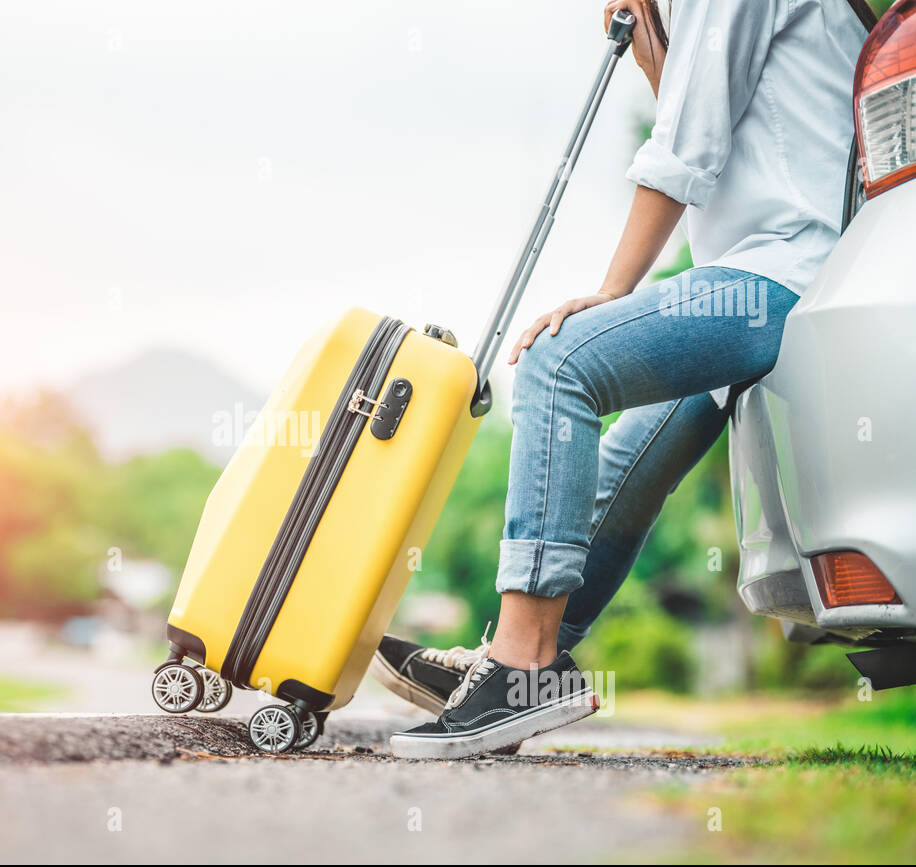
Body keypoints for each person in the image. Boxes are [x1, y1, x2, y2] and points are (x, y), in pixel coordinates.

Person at [374, 0, 875, 759]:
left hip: (783, 271)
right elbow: (728, 115)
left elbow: (686, 146)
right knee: (630, 463)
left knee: (560, 360)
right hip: (767, 269)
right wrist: (653, 58)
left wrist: (615, 290)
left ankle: (520, 669)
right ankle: (521, 659)